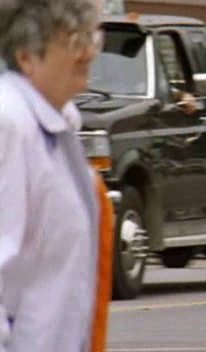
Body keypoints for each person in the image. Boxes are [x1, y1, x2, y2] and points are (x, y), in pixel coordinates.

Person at [0, 0, 111, 350]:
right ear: (26, 56)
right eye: (71, 37)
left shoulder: (60, 121)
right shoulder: (9, 123)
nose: (88, 48)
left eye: (90, 33)